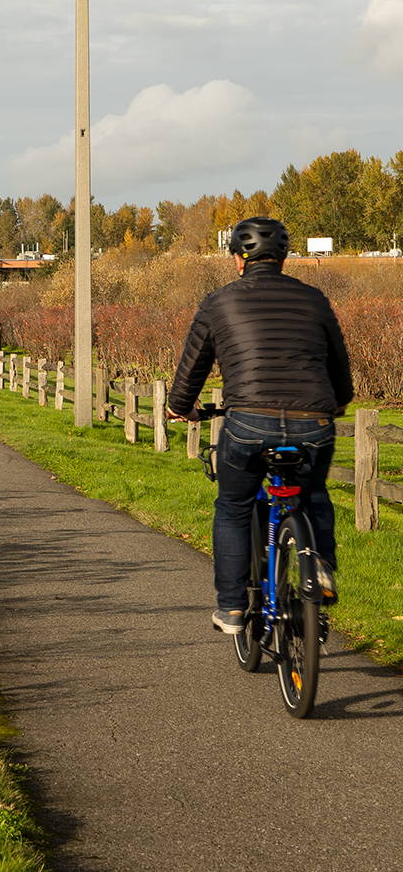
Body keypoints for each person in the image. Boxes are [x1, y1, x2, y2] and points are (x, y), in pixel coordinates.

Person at [166, 217, 353, 635]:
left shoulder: (219, 302)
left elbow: (193, 365)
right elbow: (338, 364)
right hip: (313, 422)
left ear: (238, 259)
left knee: (233, 507)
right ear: (284, 258)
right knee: (314, 495)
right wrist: (339, 402)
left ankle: (232, 608)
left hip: (248, 422)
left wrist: (180, 407)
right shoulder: (314, 299)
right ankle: (321, 568)